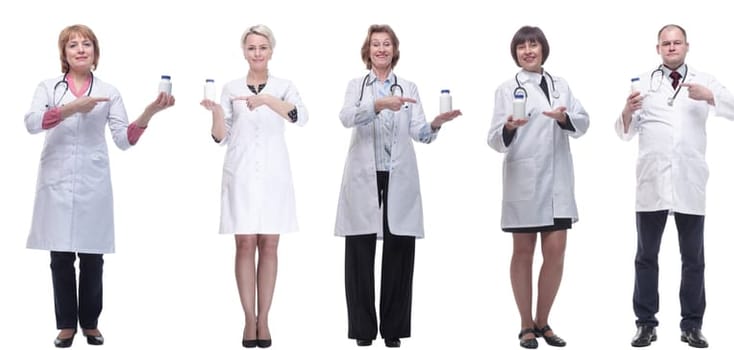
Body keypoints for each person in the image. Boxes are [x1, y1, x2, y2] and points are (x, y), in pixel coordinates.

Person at [23, 24, 175, 348]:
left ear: (95, 52)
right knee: (60, 256)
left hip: (93, 184)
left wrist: (150, 112)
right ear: (64, 54)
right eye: (73, 45)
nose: (81, 49)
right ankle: (66, 325)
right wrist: (70, 108)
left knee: (92, 258)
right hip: (57, 181)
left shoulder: (109, 91)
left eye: (87, 44)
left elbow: (124, 139)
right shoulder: (49, 87)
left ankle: (90, 324)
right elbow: (32, 122)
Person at [616, 24, 734, 349]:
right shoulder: (642, 83)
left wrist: (711, 97)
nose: (671, 47)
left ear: (687, 46)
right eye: (666, 43)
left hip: (689, 182)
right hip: (652, 183)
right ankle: (645, 324)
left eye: (677, 42)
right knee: (646, 256)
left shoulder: (705, 80)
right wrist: (627, 112)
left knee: (693, 259)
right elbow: (623, 133)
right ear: (658, 48)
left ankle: (692, 325)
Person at [334, 24, 463, 348]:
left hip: (398, 175)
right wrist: (378, 105)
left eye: (386, 44)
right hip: (365, 175)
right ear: (368, 50)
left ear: (394, 50)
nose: (381, 49)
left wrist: (435, 123)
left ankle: (393, 330)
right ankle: (363, 330)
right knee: (359, 254)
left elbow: (419, 131)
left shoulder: (408, 87)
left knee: (399, 252)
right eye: (376, 44)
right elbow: (346, 117)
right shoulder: (357, 86)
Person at [201, 24, 309, 349]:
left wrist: (265, 100)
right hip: (242, 173)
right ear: (244, 51)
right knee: (245, 244)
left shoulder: (284, 86)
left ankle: (266, 319)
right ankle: (249, 318)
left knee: (271, 246)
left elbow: (300, 117)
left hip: (275, 175)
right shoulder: (231, 87)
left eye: (263, 47)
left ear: (271, 51)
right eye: (251, 48)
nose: (257, 53)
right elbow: (221, 136)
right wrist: (218, 112)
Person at [486, 25, 590, 350]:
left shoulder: (562, 85)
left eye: (533, 45)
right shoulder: (507, 89)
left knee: (556, 254)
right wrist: (507, 127)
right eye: (522, 47)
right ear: (515, 53)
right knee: (523, 254)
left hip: (557, 183)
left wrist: (564, 118)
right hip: (524, 182)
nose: (528, 51)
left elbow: (583, 121)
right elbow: (493, 139)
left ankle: (543, 321)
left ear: (543, 48)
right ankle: (525, 325)